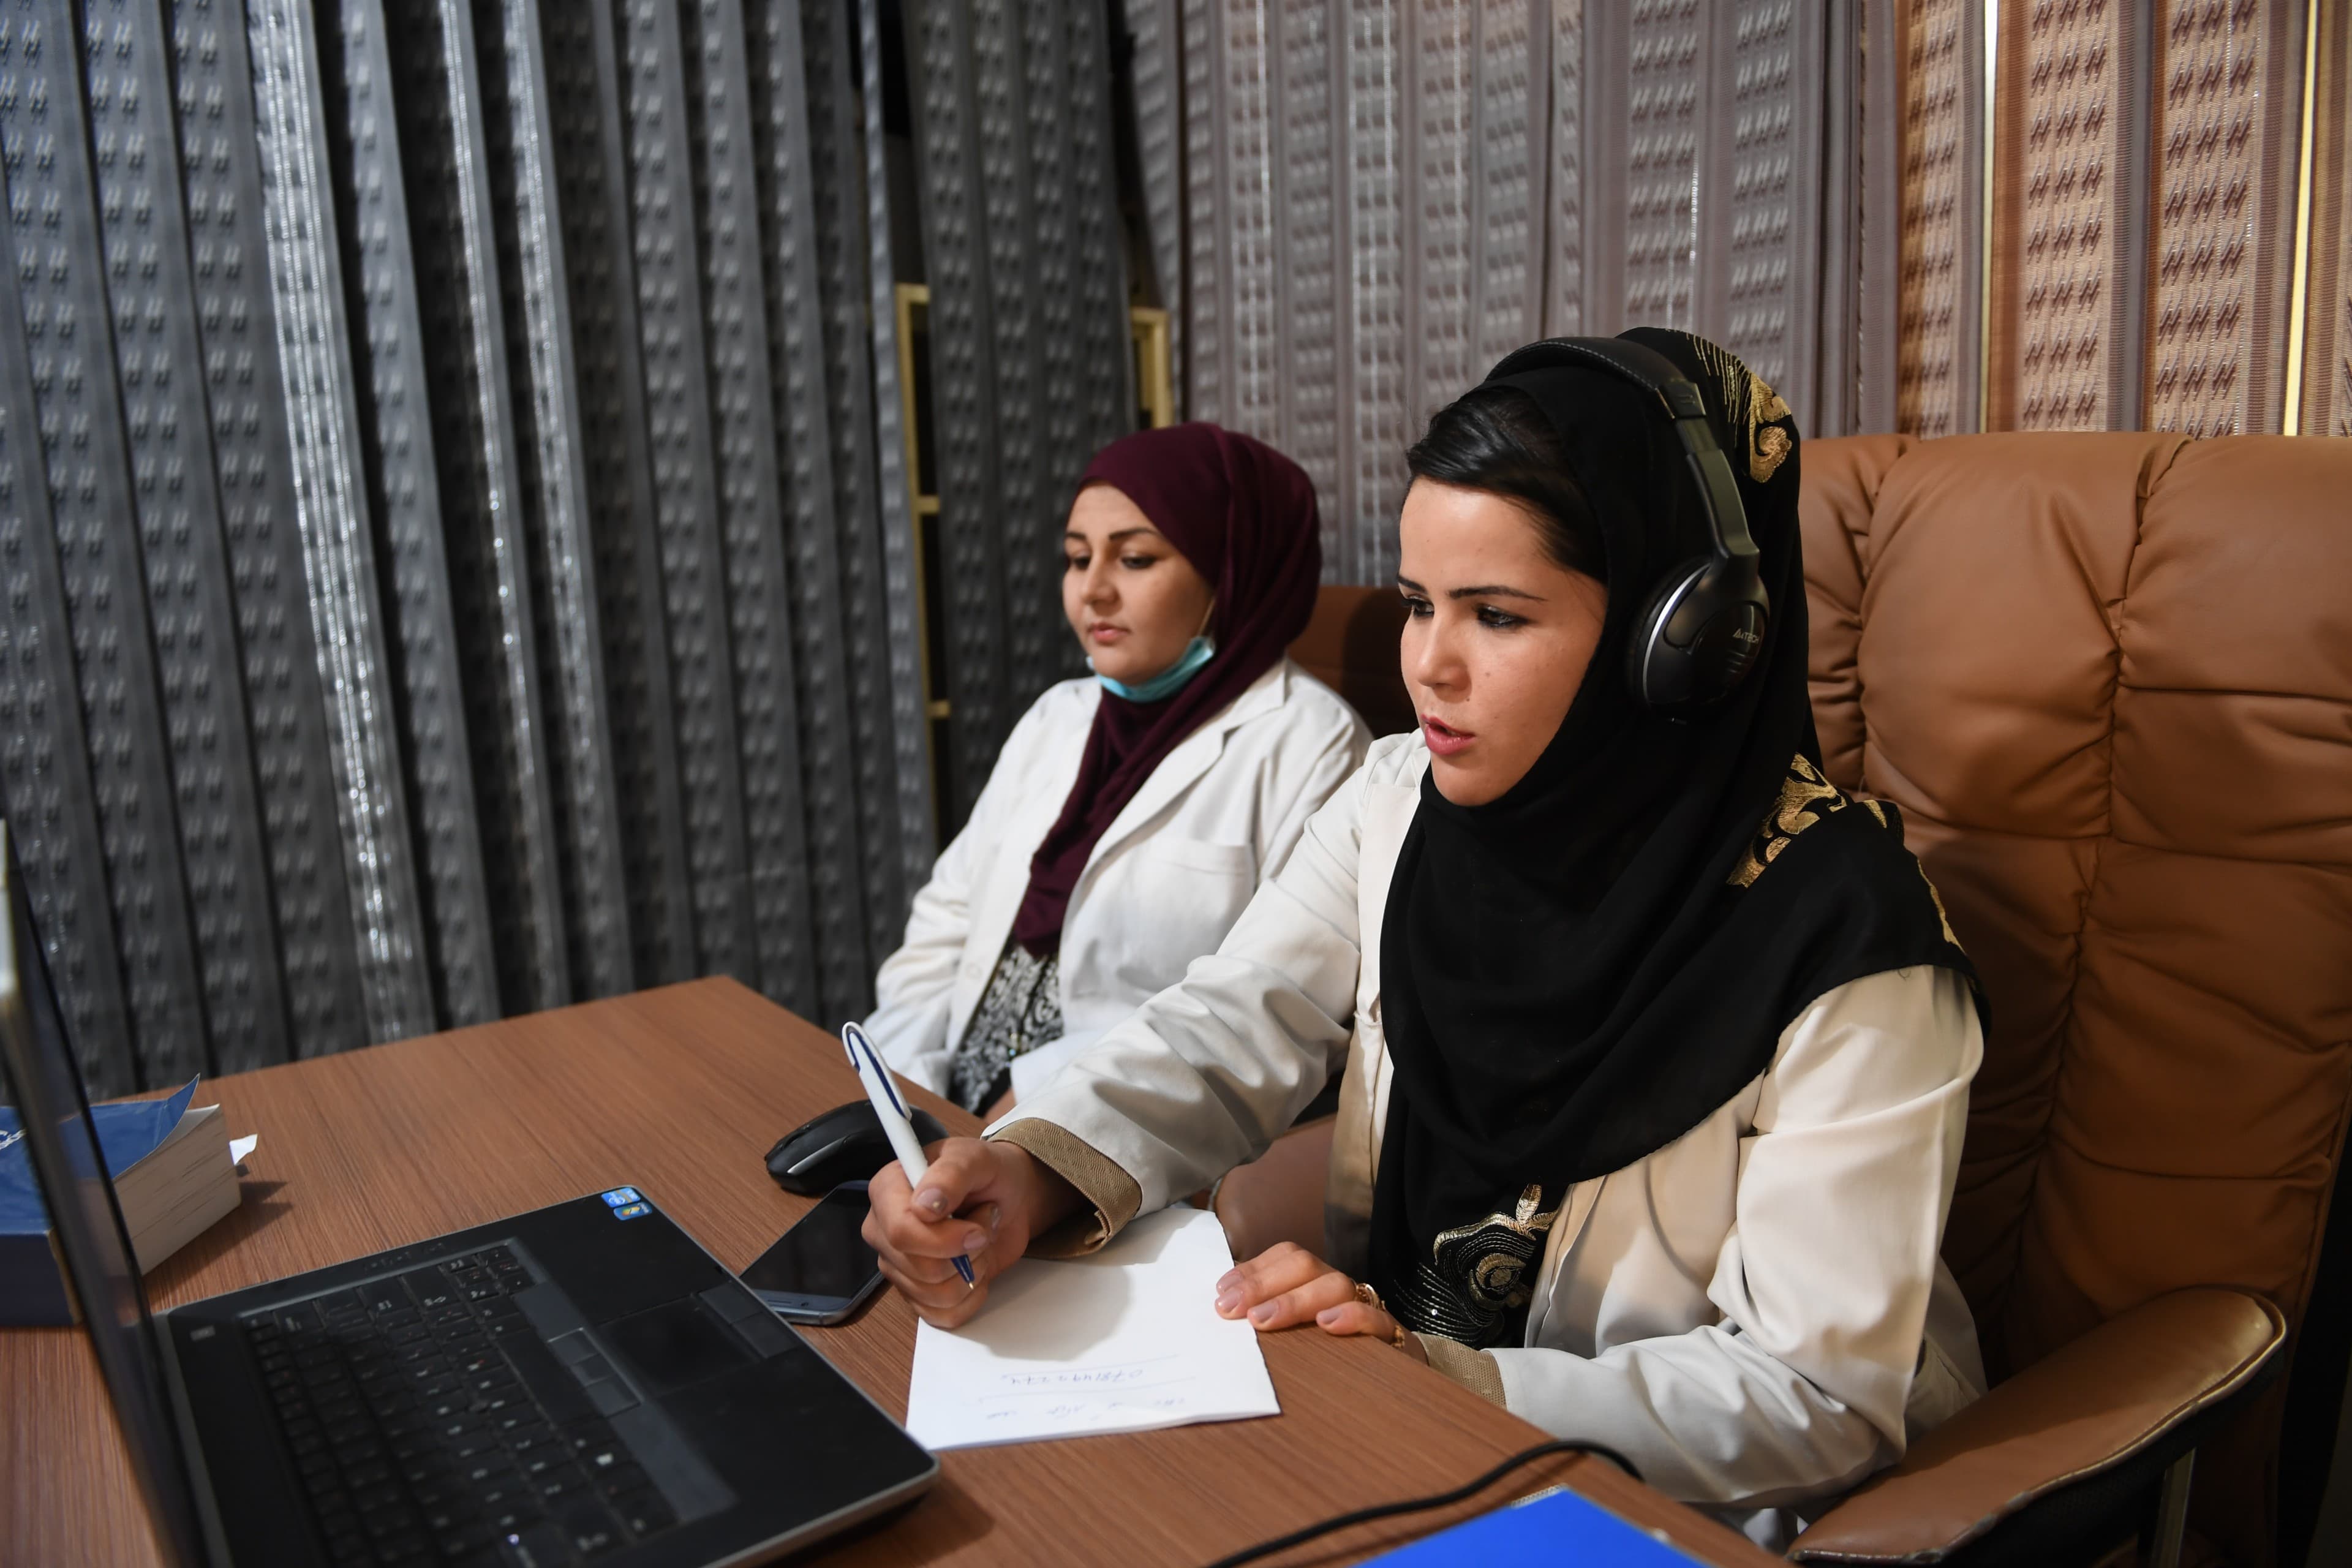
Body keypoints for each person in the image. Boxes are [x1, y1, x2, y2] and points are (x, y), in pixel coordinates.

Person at [861, 331, 1988, 1546]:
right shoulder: (1398, 799)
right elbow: (1234, 1017)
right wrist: (1033, 1168)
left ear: (1678, 644)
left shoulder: (1852, 940)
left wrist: (1460, 1380)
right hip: (1394, 1418)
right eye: (1416, 604)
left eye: (1495, 615)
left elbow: (1814, 1396)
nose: (1427, 667)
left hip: (1670, 1503)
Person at [858, 423, 1369, 1119]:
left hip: (1117, 1130)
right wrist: (904, 1089)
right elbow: (947, 918)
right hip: (941, 1105)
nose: (1092, 590)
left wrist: (1034, 1112)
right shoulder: (1058, 718)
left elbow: (1266, 1006)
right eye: (1076, 558)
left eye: (1134, 559)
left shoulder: (1313, 746)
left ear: (1229, 571)